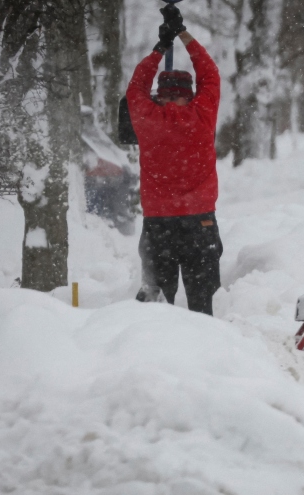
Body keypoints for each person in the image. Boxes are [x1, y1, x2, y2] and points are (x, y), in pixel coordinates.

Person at [126, 5, 222, 315]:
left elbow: (135, 86)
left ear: (160, 94)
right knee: (203, 303)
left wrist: (160, 48)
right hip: (200, 221)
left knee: (157, 308)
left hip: (158, 223)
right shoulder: (202, 114)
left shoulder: (147, 117)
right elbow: (210, 73)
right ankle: (207, 349)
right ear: (190, 94)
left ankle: (158, 353)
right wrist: (183, 34)